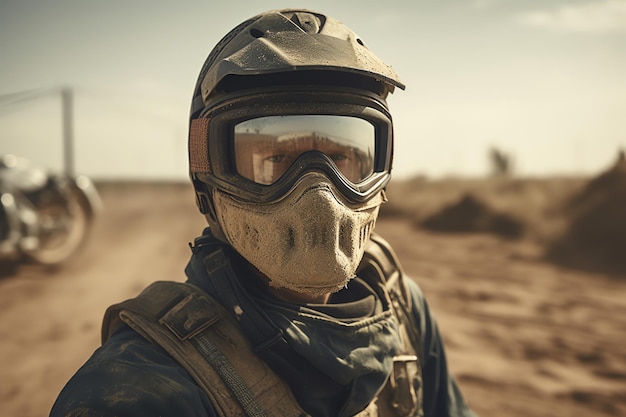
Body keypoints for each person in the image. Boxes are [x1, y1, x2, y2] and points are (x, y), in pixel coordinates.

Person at [50, 9, 478, 417]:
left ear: (380, 163)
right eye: (275, 159)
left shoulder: (400, 307)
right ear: (208, 168)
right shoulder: (140, 390)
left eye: (342, 156)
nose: (320, 193)